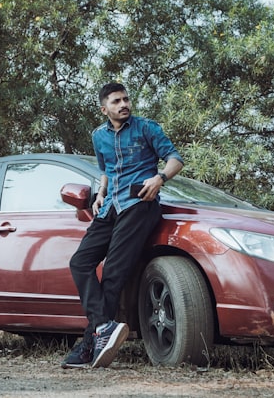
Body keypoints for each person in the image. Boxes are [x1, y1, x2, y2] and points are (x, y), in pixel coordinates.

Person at [62, 82, 184, 369]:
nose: (124, 104)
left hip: (139, 204)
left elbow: (175, 159)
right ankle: (103, 326)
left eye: (126, 99)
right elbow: (105, 170)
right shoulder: (98, 136)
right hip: (110, 207)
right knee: (80, 262)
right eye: (116, 101)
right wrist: (100, 193)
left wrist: (160, 179)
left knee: (114, 274)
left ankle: (90, 343)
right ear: (105, 108)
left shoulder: (146, 128)